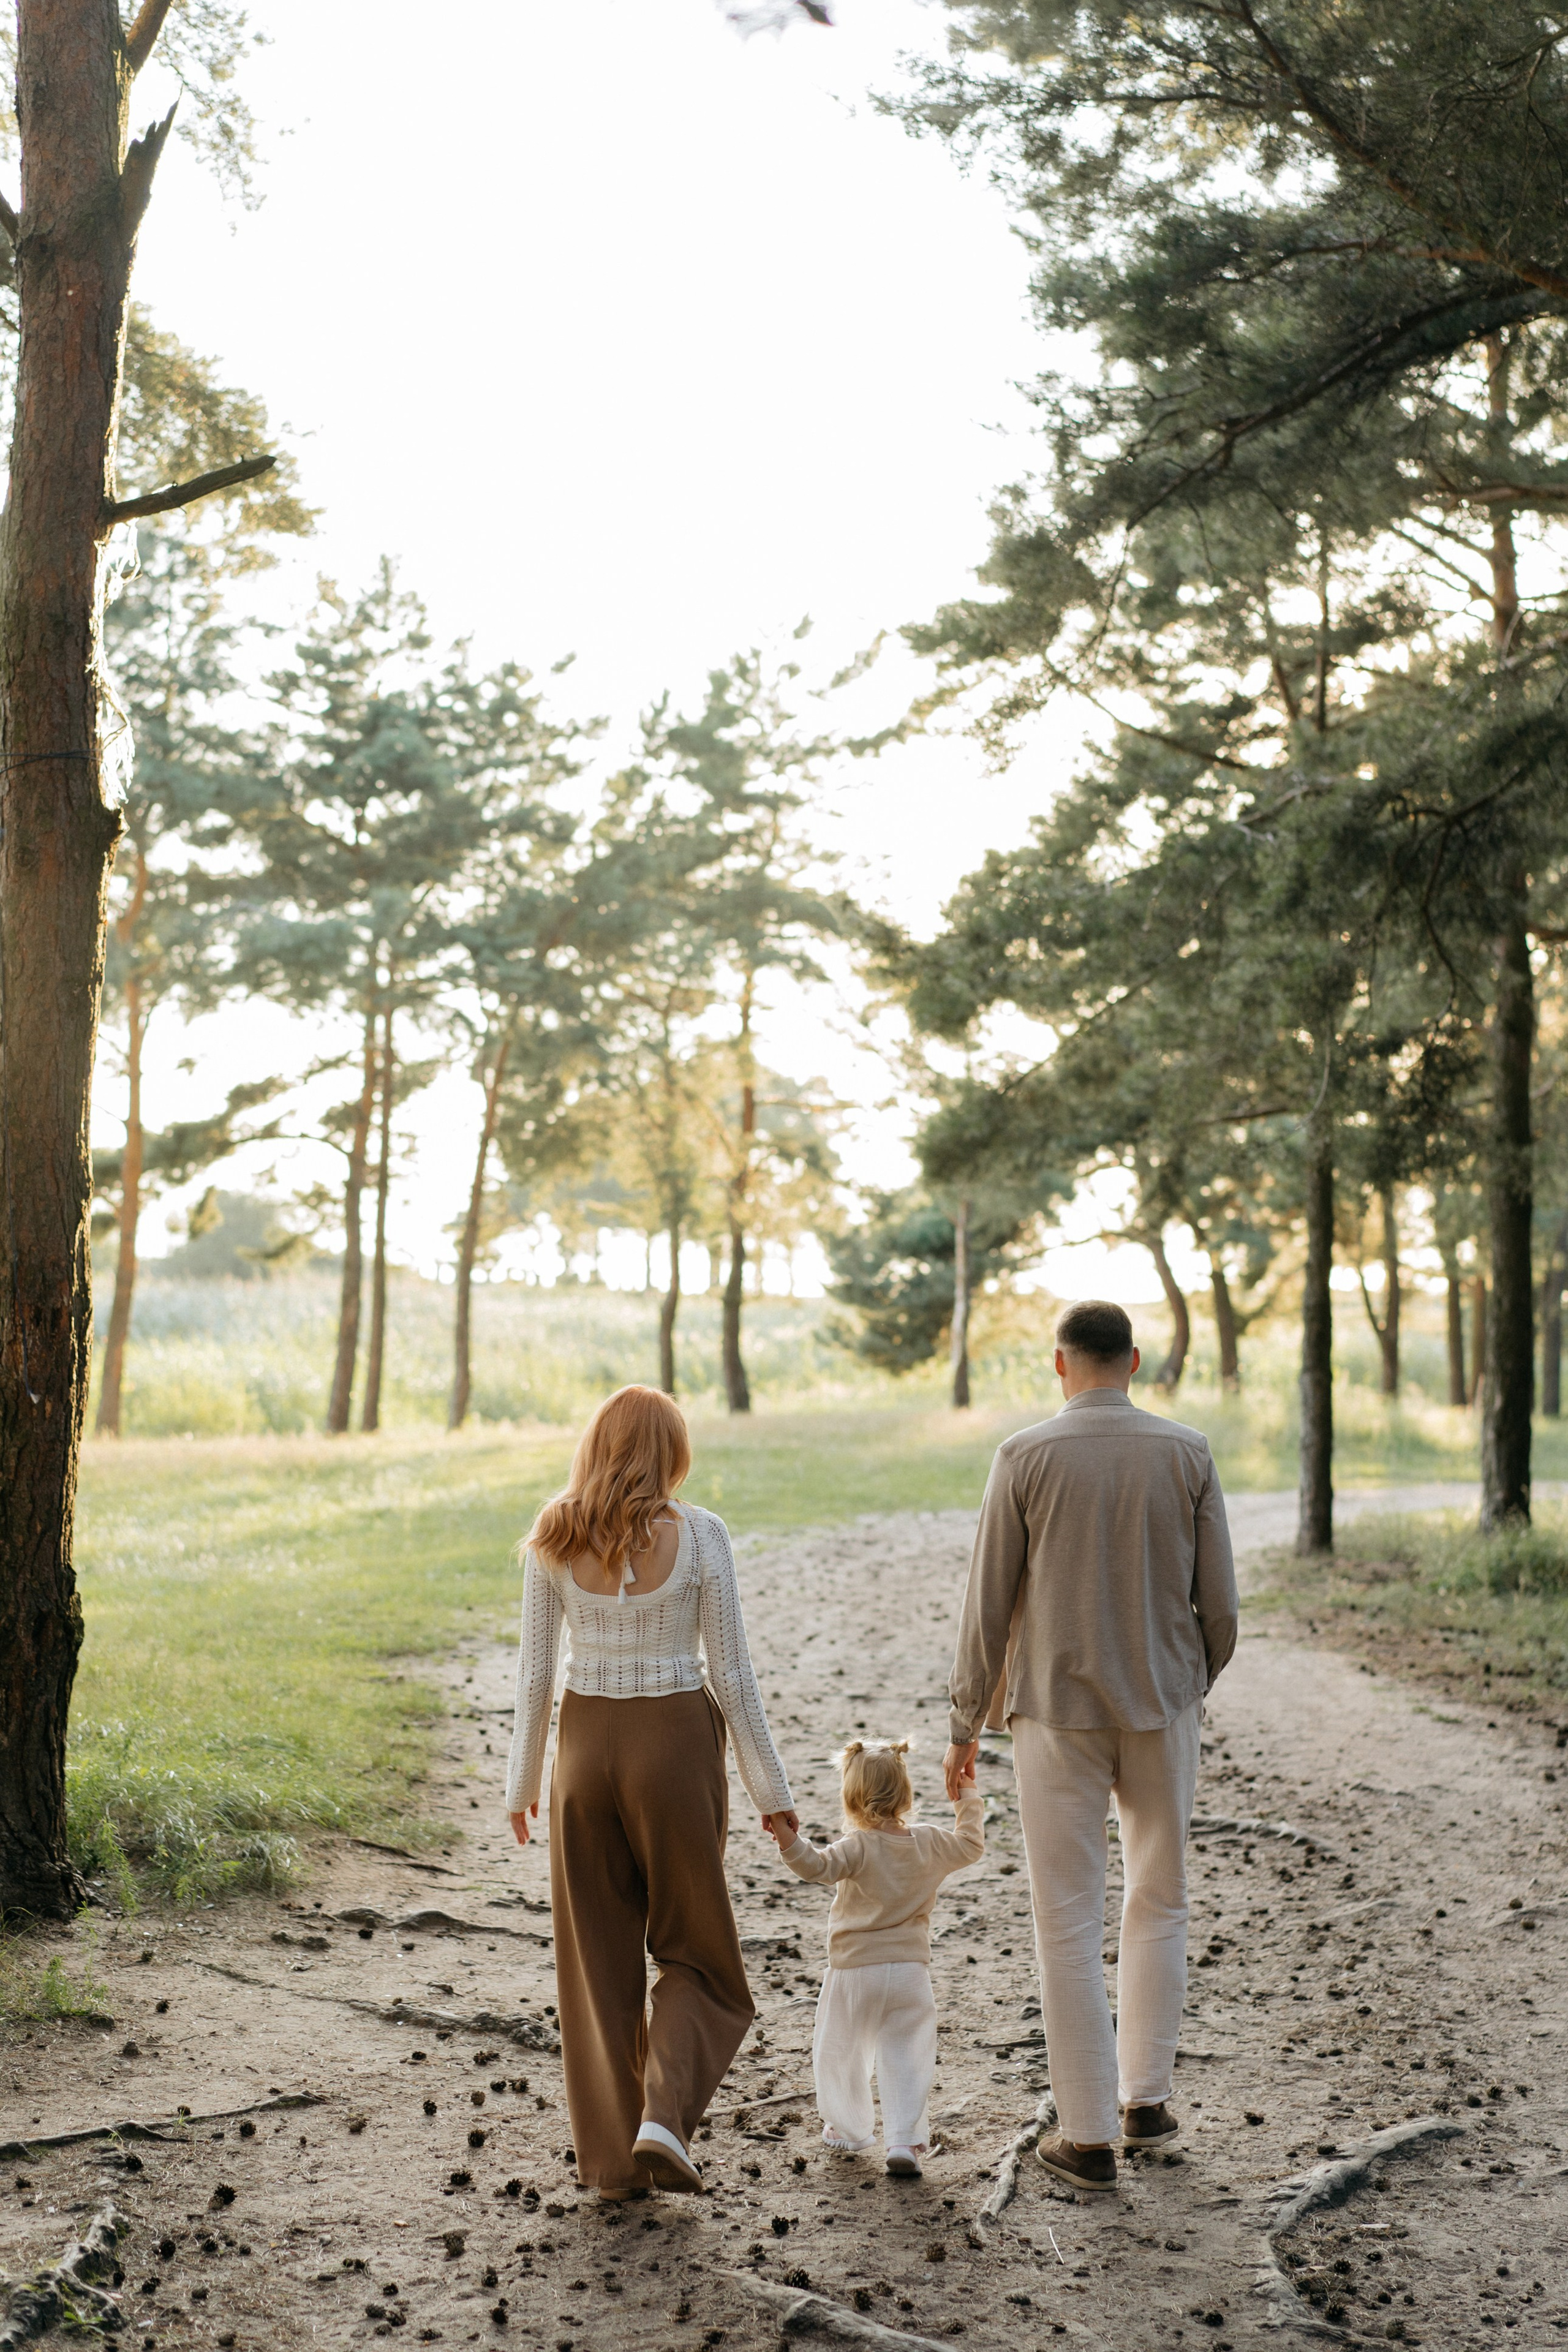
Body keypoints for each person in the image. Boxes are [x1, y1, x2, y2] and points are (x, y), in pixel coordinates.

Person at [944, 1300, 1238, 2193]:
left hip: (1055, 1714)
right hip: (1162, 1706)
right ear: (1136, 1361)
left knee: (1066, 1921)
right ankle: (1146, 2100)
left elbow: (986, 1603)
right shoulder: (1187, 1453)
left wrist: (964, 1723)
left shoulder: (1024, 1456)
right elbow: (1220, 1607)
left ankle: (1087, 2137)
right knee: (1161, 1896)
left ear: (1061, 1364)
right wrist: (1189, 1680)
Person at [505, 1384, 797, 2199]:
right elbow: (733, 1674)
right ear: (672, 1452)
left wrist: (522, 1783)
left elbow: (534, 1676)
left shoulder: (554, 1533)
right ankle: (664, 2115)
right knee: (697, 1948)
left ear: (598, 1445)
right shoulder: (702, 1536)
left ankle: (611, 2170)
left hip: (583, 1748)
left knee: (594, 1960)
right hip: (672, 1743)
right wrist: (771, 1787)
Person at [767, 1736, 983, 2179]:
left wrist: (785, 1833)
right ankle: (902, 2140)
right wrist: (966, 1795)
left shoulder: (857, 1846)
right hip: (909, 1973)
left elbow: (815, 1866)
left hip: (854, 1970)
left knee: (841, 2050)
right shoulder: (930, 1843)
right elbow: (971, 1845)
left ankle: (849, 2129)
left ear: (852, 1797)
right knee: (908, 2054)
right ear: (906, 1794)